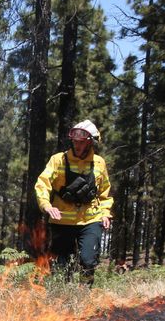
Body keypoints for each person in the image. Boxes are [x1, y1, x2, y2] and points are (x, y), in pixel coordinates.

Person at [35, 120, 114, 284]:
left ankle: (84, 296)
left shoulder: (99, 163)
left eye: (81, 141)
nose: (77, 145)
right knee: (61, 265)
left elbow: (105, 192)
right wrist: (46, 206)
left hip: (91, 220)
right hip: (62, 220)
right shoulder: (58, 160)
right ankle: (62, 299)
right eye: (75, 141)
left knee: (88, 261)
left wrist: (106, 214)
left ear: (90, 141)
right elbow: (42, 183)